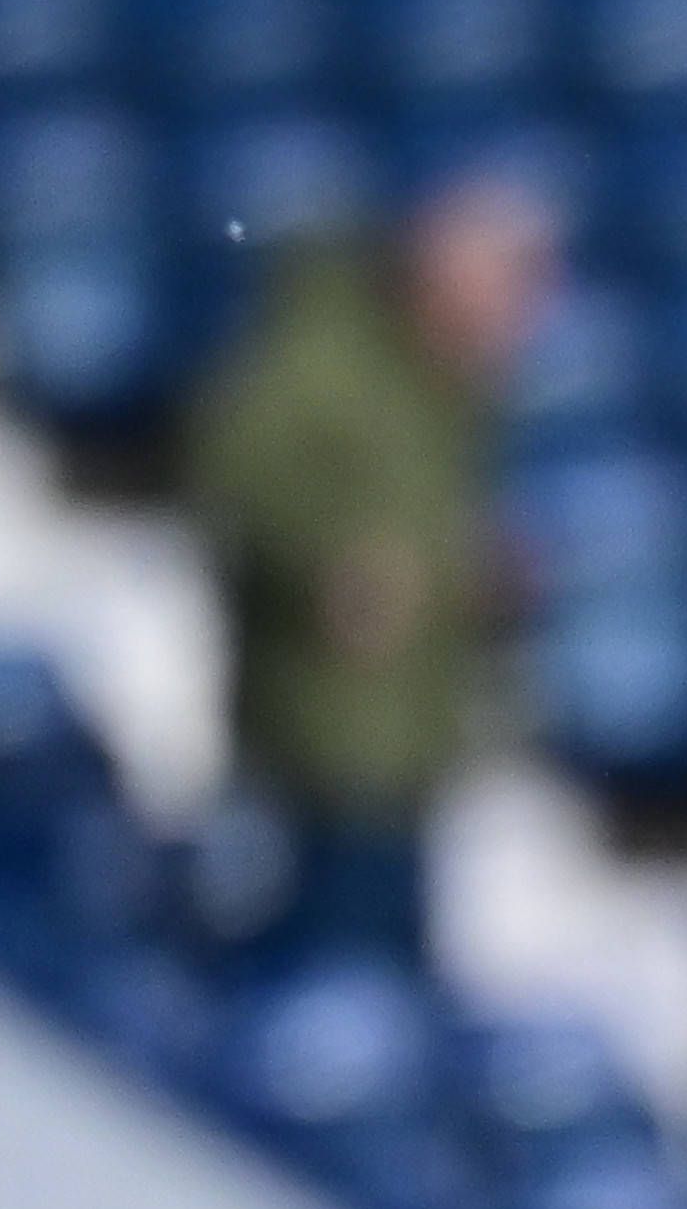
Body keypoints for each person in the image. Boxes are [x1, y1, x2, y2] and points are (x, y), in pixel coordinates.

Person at [181, 174, 555, 970]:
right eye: (509, 284)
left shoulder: (448, 389)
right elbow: (233, 469)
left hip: (407, 754)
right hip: (316, 758)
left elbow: (415, 533)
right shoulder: (328, 356)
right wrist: (327, 566)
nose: (523, 317)